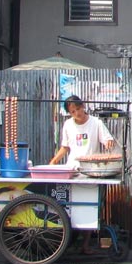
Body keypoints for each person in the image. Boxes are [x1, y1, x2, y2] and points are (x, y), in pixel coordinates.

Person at [49, 95, 116, 254]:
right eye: (73, 111)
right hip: (72, 170)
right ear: (70, 113)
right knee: (69, 208)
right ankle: (64, 243)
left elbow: (107, 139)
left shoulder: (96, 123)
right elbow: (65, 147)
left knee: (89, 209)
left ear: (83, 106)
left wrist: (108, 143)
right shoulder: (67, 125)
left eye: (78, 109)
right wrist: (53, 162)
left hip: (91, 172)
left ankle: (85, 245)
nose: (77, 113)